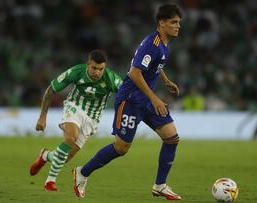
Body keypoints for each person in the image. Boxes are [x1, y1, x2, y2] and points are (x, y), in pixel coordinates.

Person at [73, 4, 183, 200]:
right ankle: (82, 172)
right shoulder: (153, 44)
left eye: (178, 23)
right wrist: (155, 97)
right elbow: (134, 73)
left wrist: (165, 81)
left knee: (172, 137)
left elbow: (155, 65)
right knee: (121, 148)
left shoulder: (164, 43)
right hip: (130, 100)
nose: (177, 26)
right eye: (174, 22)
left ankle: (160, 185)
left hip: (146, 99)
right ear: (161, 23)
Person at [29, 50, 122, 191]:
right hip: (74, 107)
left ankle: (45, 156)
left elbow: (127, 94)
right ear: (88, 64)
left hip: (92, 118)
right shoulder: (77, 72)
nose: (97, 72)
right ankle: (50, 180)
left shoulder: (111, 78)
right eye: (94, 68)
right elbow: (51, 89)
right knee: (70, 138)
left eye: (101, 69)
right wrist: (42, 116)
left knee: (65, 157)